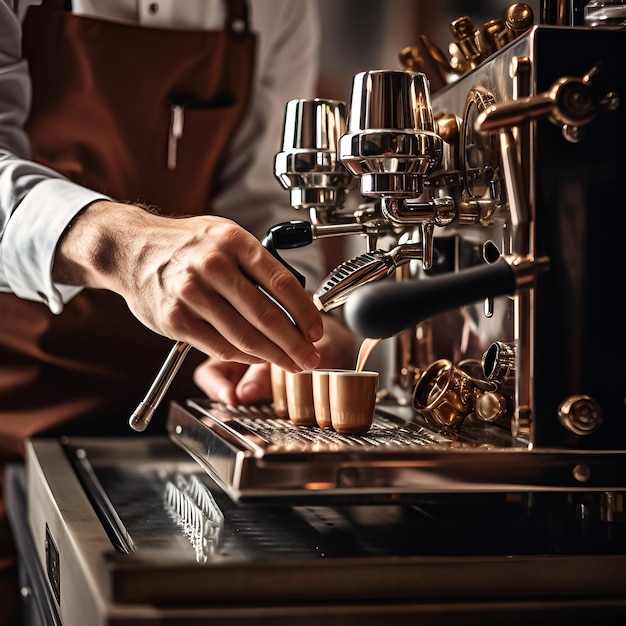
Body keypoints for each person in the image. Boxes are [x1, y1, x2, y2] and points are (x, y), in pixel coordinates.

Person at [0, 0, 357, 622]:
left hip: (164, 409)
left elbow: (260, 205)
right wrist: (126, 247)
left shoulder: (281, 10)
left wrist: (284, 325)